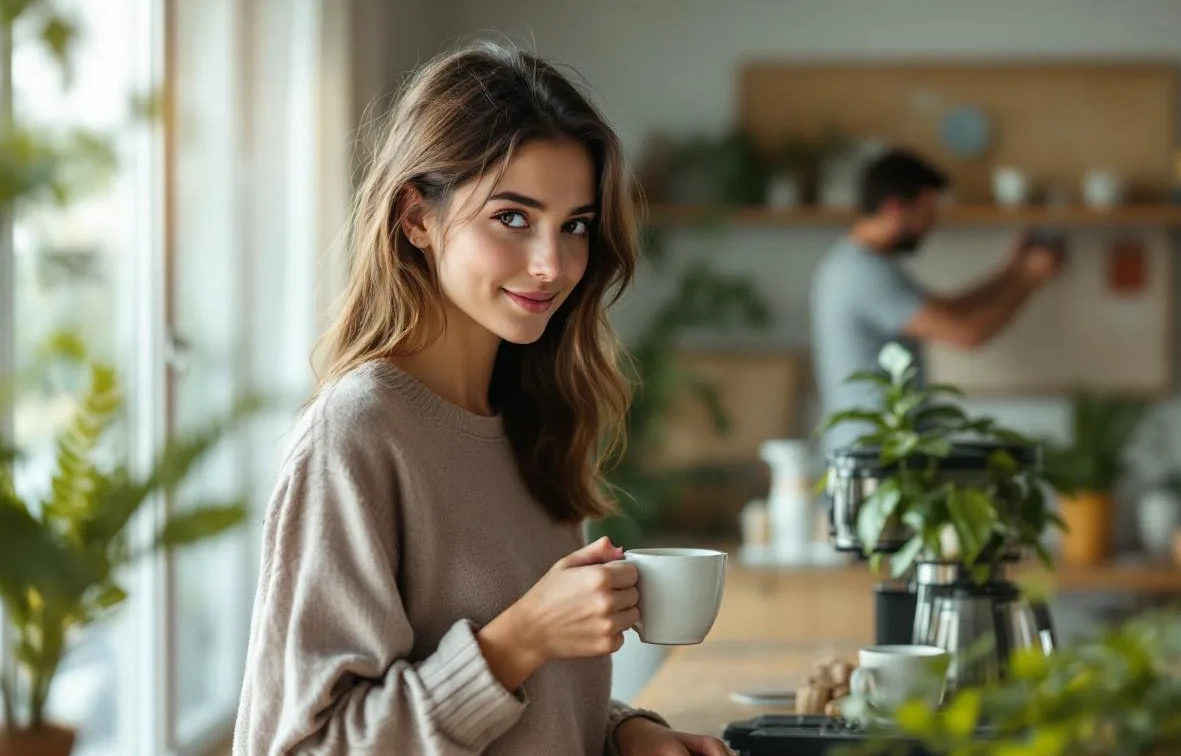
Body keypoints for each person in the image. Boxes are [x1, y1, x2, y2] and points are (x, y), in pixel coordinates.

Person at [233, 43, 733, 756]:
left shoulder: (530, 420)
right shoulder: (357, 435)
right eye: (512, 217)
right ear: (416, 219)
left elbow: (536, 708)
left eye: (576, 226)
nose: (551, 264)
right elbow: (316, 746)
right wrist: (520, 637)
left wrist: (627, 735)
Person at [811, 149, 1064, 454]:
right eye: (926, 212)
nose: (931, 225)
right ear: (894, 208)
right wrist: (1029, 278)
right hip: (877, 454)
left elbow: (951, 310)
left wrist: (1013, 269)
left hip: (880, 448)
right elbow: (965, 332)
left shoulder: (859, 264)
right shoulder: (864, 273)